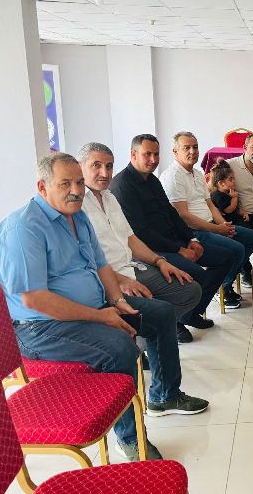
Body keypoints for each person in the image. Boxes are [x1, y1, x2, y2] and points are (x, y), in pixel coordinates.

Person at [0, 153, 209, 461]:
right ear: (42, 187)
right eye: (65, 184)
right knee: (119, 346)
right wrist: (101, 317)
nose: (76, 191)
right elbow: (35, 300)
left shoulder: (77, 216)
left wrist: (118, 302)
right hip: (41, 327)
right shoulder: (23, 228)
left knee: (160, 314)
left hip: (95, 307)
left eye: (79, 183)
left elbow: (101, 265)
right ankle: (130, 437)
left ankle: (165, 396)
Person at [110, 134, 238, 344]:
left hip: (175, 242)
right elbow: (141, 232)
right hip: (150, 251)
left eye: (156, 154)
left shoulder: (152, 179)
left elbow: (171, 213)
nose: (153, 159)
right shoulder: (122, 185)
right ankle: (176, 321)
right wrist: (179, 250)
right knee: (196, 274)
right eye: (147, 154)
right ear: (133, 154)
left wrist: (191, 240)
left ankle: (190, 314)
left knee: (226, 257)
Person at [78, 142, 203, 346]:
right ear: (80, 166)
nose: (105, 173)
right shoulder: (77, 205)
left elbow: (131, 238)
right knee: (159, 313)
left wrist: (160, 261)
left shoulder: (110, 197)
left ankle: (148, 335)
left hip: (133, 266)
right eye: (96, 165)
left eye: (109, 166)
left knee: (190, 291)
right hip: (109, 278)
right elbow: (84, 261)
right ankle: (146, 338)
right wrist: (119, 281)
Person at [160, 131, 253, 310]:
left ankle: (223, 283)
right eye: (186, 148)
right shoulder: (173, 176)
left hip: (211, 225)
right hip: (193, 232)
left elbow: (210, 205)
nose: (193, 151)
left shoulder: (198, 173)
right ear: (175, 151)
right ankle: (221, 288)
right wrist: (217, 230)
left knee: (251, 237)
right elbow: (183, 216)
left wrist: (222, 225)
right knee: (236, 249)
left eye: (195, 147)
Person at [209, 158, 240, 223]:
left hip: (234, 219)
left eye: (234, 178)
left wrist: (241, 211)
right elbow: (228, 210)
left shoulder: (228, 191)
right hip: (227, 223)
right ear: (221, 184)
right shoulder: (217, 195)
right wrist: (234, 198)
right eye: (231, 179)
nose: (234, 181)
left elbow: (235, 209)